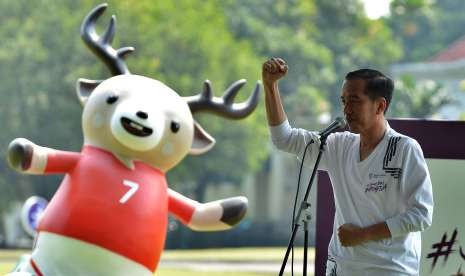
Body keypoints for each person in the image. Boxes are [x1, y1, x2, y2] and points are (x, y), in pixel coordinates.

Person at [262, 57, 434, 276]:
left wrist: (362, 235)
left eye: (354, 100)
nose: (346, 109)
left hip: (390, 270)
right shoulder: (337, 144)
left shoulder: (404, 148)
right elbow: (284, 139)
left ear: (380, 105)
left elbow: (421, 215)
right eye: (343, 101)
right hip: (340, 268)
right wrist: (270, 85)